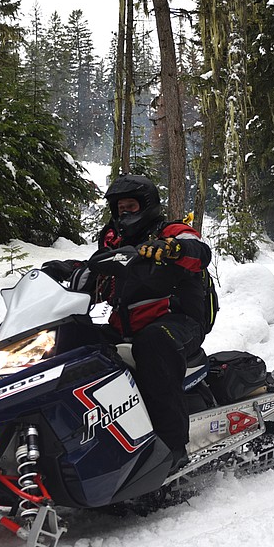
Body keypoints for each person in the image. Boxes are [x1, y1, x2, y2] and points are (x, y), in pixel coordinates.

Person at [49, 175, 211, 469]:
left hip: (177, 323)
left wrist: (173, 249)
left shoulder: (169, 231)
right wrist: (66, 270)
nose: (125, 213)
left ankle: (173, 449)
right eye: (120, 208)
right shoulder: (115, 242)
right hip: (126, 327)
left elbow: (198, 250)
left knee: (153, 343)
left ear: (146, 206)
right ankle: (67, 436)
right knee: (72, 336)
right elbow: (95, 271)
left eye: (131, 206)